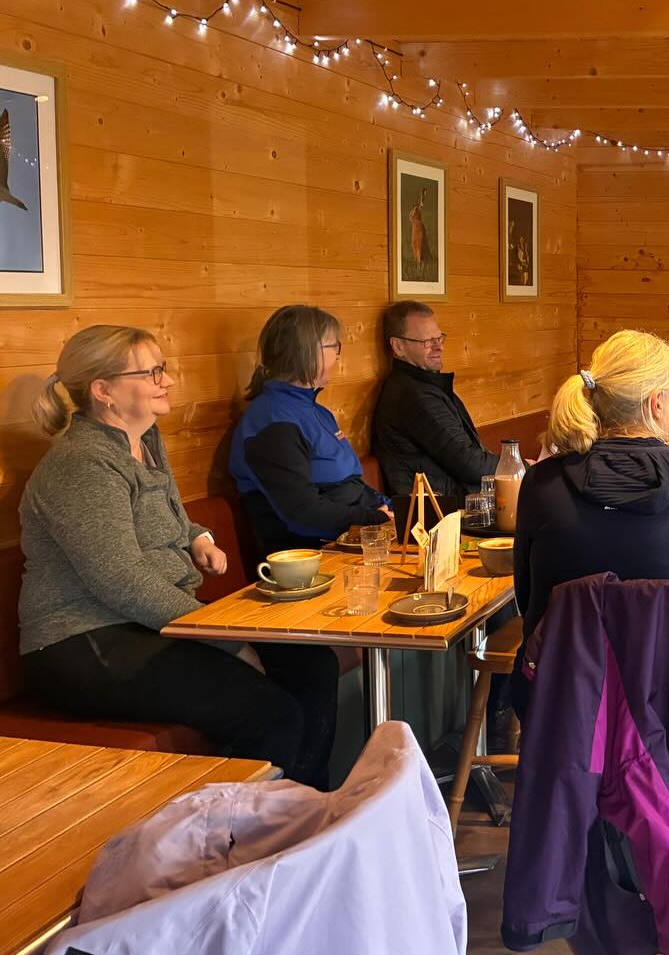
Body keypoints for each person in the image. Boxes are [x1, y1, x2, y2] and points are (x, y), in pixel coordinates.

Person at [19, 326, 338, 788]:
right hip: (84, 643)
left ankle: (307, 815)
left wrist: (199, 536)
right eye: (151, 373)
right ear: (103, 390)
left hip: (148, 626)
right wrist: (228, 639)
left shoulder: (145, 441)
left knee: (313, 665)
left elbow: (161, 518)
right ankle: (255, 843)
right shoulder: (81, 464)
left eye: (162, 368)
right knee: (270, 712)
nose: (166, 380)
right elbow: (120, 579)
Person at [512, 331, 669, 696]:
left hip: (559, 700)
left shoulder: (540, 484)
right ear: (658, 402)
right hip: (666, 701)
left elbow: (527, 596)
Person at [230, 305, 391, 557]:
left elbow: (353, 485)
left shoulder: (317, 411)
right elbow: (303, 514)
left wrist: (391, 509)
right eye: (333, 346)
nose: (338, 356)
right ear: (306, 353)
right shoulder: (271, 422)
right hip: (309, 556)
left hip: (353, 538)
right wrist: (373, 518)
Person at [372, 301, 498, 512]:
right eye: (428, 341)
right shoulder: (411, 397)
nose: (439, 346)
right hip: (438, 517)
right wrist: (519, 466)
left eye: (439, 338)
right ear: (398, 346)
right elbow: (469, 463)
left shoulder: (426, 386)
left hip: (460, 506)